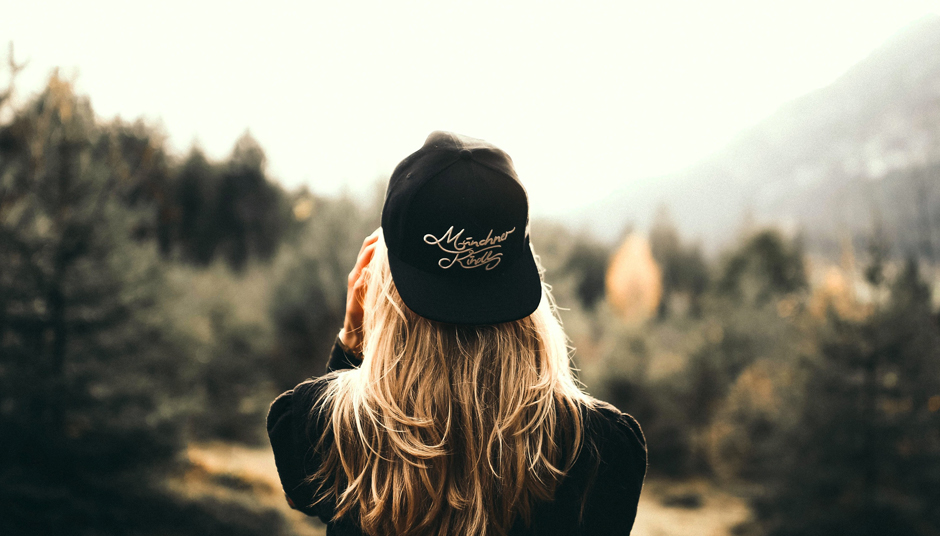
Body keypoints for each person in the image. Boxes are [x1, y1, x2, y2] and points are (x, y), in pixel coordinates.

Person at [267, 131, 647, 536]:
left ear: (379, 277)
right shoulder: (603, 454)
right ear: (522, 272)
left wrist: (352, 341)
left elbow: (303, 495)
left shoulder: (320, 427)